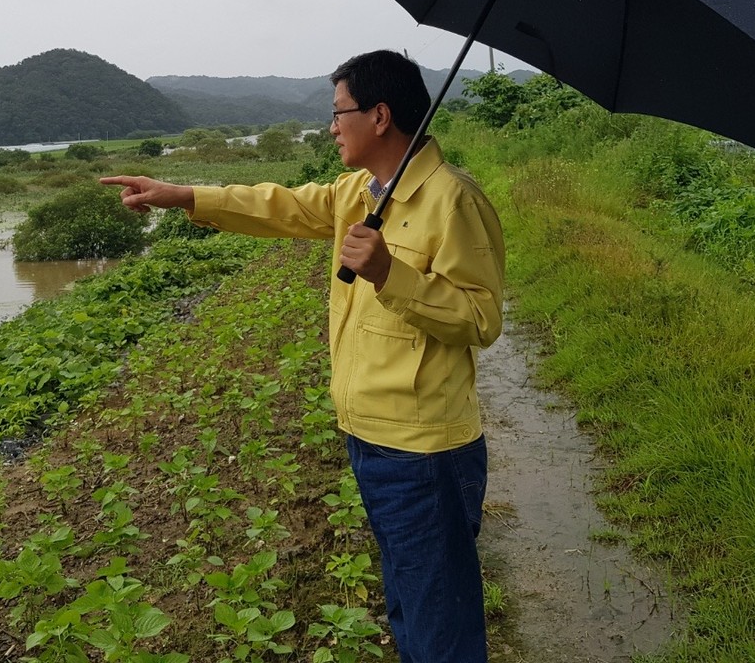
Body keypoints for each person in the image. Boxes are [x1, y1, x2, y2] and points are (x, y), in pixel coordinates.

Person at [101, 49, 504, 662]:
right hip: (368, 436)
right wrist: (183, 195)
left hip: (425, 449)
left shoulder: (452, 200)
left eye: (339, 112)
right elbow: (281, 205)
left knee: (438, 619)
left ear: (380, 115)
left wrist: (391, 273)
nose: (332, 126)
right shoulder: (359, 192)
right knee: (406, 602)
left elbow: (481, 318)